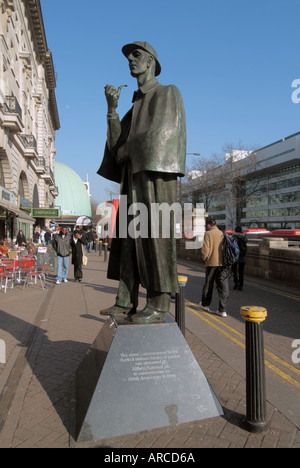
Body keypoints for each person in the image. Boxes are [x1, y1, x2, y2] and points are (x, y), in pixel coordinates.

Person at [98, 41, 186, 324]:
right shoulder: (131, 108)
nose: (130, 60)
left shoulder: (167, 93)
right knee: (128, 239)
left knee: (154, 237)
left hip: (153, 177)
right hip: (132, 178)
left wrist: (126, 151)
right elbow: (115, 147)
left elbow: (161, 135)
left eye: (137, 55)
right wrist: (112, 110)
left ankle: (159, 303)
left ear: (151, 62)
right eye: (128, 57)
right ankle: (125, 301)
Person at [199, 218, 229, 318]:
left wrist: (205, 258)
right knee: (223, 287)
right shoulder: (222, 233)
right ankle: (222, 310)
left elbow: (205, 250)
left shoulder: (208, 234)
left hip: (212, 263)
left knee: (209, 284)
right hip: (223, 264)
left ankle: (205, 305)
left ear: (208, 225)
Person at [232, 226, 248, 291]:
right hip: (243, 256)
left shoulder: (233, 237)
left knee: (234, 271)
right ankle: (241, 285)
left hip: (235, 256)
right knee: (241, 272)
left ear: (235, 231)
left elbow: (232, 246)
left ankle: (236, 283)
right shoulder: (244, 237)